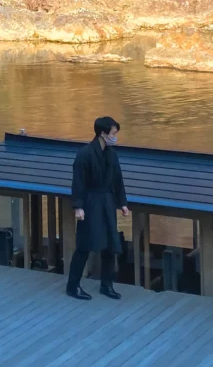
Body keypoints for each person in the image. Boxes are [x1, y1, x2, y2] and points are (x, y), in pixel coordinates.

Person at [66, 116, 129, 301]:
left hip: (107, 201)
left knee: (110, 244)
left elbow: (118, 180)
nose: (115, 137)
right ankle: (73, 286)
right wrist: (78, 206)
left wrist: (123, 203)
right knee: (85, 245)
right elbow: (78, 182)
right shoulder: (84, 154)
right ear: (103, 133)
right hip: (91, 201)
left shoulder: (112, 155)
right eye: (113, 133)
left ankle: (107, 284)